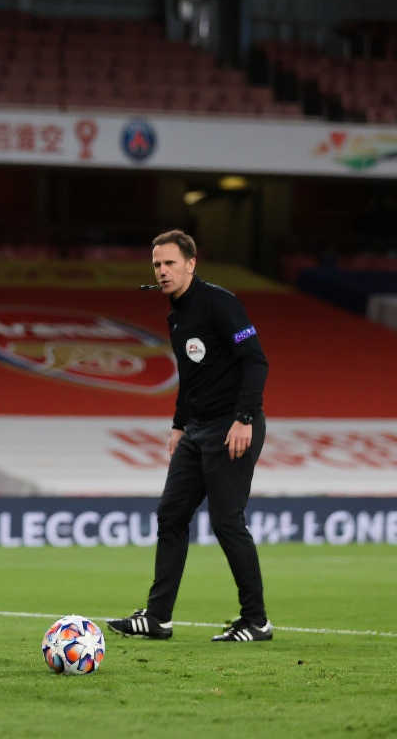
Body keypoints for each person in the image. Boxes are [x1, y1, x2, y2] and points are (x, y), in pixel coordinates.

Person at [108, 230, 273, 643]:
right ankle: (158, 618)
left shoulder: (220, 303)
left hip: (231, 426)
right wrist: (179, 425)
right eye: (157, 265)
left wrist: (244, 418)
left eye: (170, 263)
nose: (162, 271)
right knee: (171, 515)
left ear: (191, 264)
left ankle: (256, 621)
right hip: (197, 430)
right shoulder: (177, 315)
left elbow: (255, 361)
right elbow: (190, 376)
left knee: (226, 521)